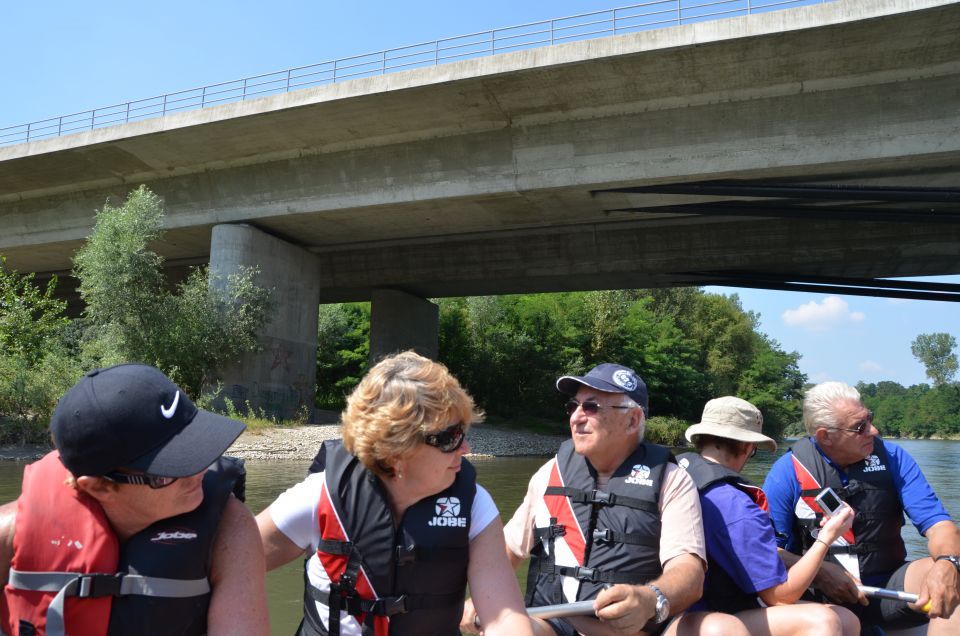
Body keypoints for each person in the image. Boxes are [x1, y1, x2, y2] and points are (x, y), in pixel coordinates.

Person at [256, 351, 533, 636]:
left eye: (463, 431)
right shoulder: (321, 496)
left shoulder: (474, 505)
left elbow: (504, 618)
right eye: (450, 438)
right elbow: (231, 565)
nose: (466, 448)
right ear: (396, 452)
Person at [0, 363, 269, 636]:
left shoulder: (230, 530)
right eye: (168, 471)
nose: (199, 471)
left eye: (198, 449)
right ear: (99, 487)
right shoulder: (8, 535)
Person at [463, 363, 706, 636]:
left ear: (633, 420)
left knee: (720, 628)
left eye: (591, 407)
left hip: (627, 631)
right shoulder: (551, 473)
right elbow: (506, 550)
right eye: (573, 406)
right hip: (551, 624)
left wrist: (651, 598)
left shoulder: (672, 481)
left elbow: (689, 571)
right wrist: (484, 600)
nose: (576, 417)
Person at [763, 381, 960, 635]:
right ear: (825, 436)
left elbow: (939, 525)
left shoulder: (892, 458)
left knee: (953, 575)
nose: (874, 430)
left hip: (885, 589)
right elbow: (767, 551)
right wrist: (819, 573)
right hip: (818, 600)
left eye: (870, 419)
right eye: (860, 427)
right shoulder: (787, 471)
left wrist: (948, 563)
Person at [674, 396, 859, 636]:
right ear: (746, 446)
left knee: (847, 620)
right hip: (707, 616)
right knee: (823, 620)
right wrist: (827, 536)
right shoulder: (736, 505)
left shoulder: (676, 472)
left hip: (671, 611)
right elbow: (780, 596)